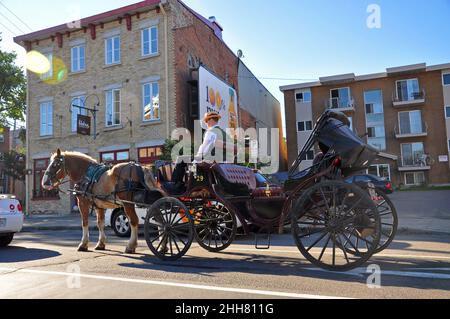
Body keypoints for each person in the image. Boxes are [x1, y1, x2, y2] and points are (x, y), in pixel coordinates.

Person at [166, 112, 228, 193]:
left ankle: (175, 184)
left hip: (209, 160)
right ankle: (187, 182)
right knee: (190, 161)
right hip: (219, 162)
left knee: (181, 159)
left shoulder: (210, 132)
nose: (206, 123)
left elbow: (204, 149)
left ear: (211, 120)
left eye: (206, 121)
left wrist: (196, 159)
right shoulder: (223, 132)